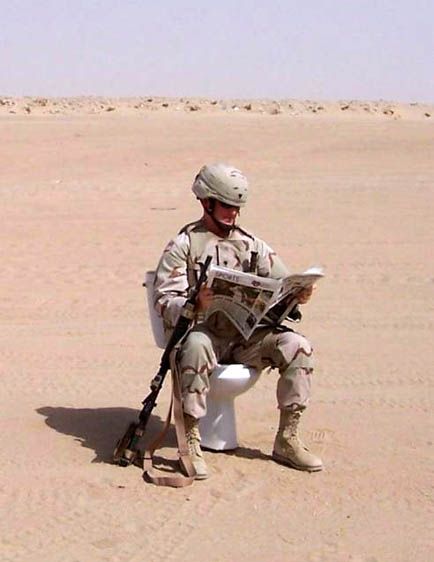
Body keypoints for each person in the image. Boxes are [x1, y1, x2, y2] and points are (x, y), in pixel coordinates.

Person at [153, 163, 323, 480]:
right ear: (207, 203)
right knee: (197, 345)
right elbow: (163, 299)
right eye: (227, 206)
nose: (233, 213)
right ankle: (190, 440)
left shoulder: (253, 245)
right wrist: (193, 303)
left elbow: (282, 280)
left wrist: (296, 296)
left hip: (246, 338)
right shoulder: (184, 245)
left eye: (237, 208)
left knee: (297, 346)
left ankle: (287, 439)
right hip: (203, 335)